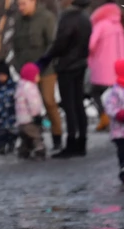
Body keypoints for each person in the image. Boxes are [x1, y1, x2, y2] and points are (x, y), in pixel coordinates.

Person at [37, 0, 93, 158]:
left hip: (67, 65)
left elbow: (60, 43)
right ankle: (81, 141)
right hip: (80, 63)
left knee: (70, 106)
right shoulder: (84, 17)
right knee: (78, 104)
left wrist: (46, 58)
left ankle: (71, 142)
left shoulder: (68, 18)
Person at [12, 0, 63, 153]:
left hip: (45, 70)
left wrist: (42, 65)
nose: (21, 8)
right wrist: (18, 65)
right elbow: (16, 46)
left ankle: (57, 135)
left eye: (24, 4)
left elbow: (52, 45)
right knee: (26, 106)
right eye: (19, 4)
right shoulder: (18, 21)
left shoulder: (46, 18)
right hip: (25, 72)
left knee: (48, 101)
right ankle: (31, 139)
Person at [88, 2, 124, 132]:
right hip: (120, 67)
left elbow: (91, 44)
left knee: (94, 92)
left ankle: (104, 117)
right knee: (117, 93)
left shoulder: (100, 25)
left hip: (103, 68)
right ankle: (121, 118)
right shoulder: (119, 26)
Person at [15, 63, 47, 160]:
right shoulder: (30, 88)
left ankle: (24, 150)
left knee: (26, 137)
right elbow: (34, 103)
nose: (39, 77)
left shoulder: (20, 86)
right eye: (37, 75)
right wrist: (36, 115)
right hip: (30, 119)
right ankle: (39, 150)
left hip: (21, 120)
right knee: (36, 135)